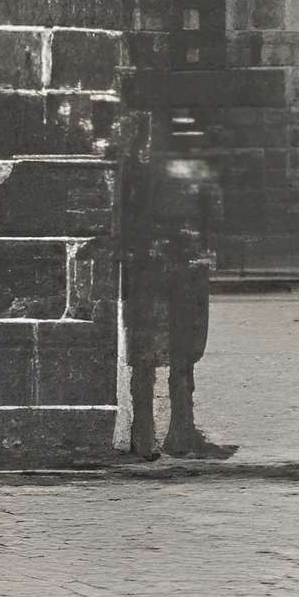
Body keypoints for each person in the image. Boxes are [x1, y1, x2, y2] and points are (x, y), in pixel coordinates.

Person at [116, 109, 231, 459]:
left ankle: (146, 433)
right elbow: (212, 201)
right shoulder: (187, 136)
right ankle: (176, 429)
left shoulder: (134, 138)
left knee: (147, 343)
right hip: (183, 252)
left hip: (145, 256)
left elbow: (123, 204)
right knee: (181, 342)